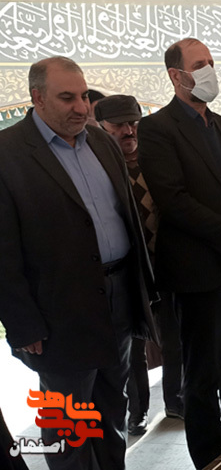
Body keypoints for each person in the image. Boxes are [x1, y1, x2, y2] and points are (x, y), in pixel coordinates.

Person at [0, 56, 157, 470]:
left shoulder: (101, 143)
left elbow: (126, 218)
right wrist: (22, 323)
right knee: (70, 430)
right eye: (67, 98)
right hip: (58, 316)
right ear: (37, 98)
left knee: (112, 416)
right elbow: (3, 251)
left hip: (118, 300)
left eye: (84, 96)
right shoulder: (8, 154)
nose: (81, 107)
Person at [137, 38, 221, 469]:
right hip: (198, 276)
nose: (210, 70)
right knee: (202, 376)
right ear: (177, 76)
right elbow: (174, 201)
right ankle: (211, 459)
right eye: (200, 64)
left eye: (212, 62)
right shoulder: (158, 130)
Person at [95, 95, 185, 436]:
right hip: (129, 271)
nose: (128, 131)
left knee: (174, 337)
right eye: (118, 125)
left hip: (167, 264)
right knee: (133, 344)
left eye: (133, 123)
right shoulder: (101, 168)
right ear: (102, 127)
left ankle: (176, 400)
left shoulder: (155, 160)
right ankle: (138, 411)